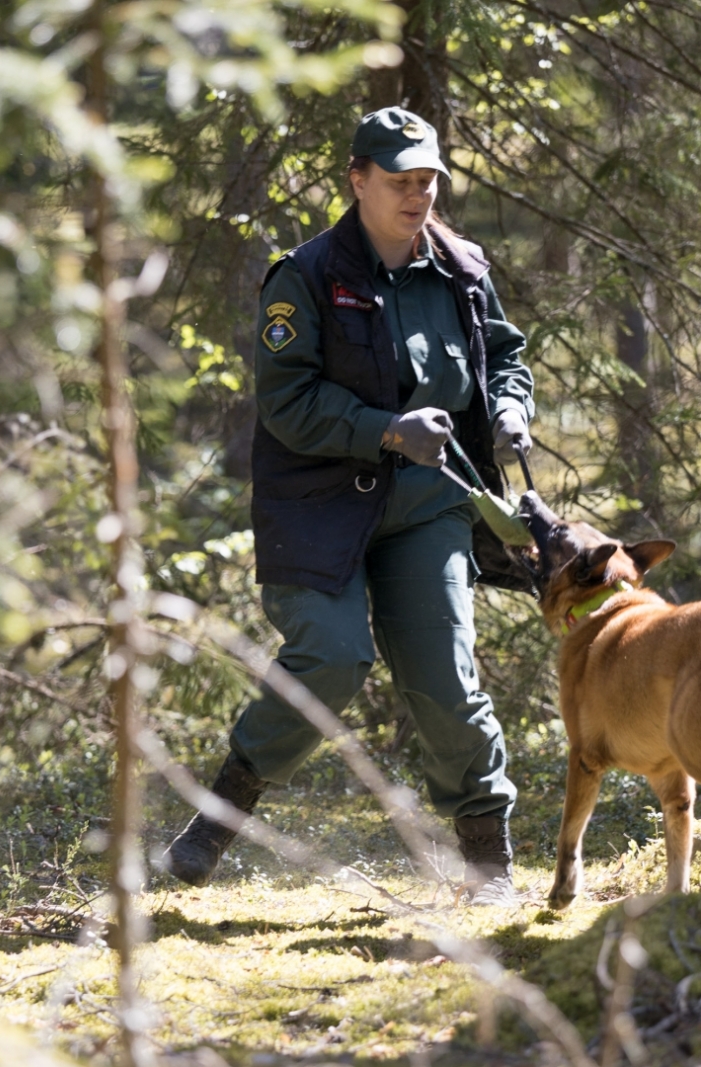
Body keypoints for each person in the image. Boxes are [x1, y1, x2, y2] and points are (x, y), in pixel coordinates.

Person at [162, 107, 535, 902]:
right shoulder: (304, 276)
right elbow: (286, 401)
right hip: (321, 504)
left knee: (446, 675)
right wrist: (387, 430)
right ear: (357, 180)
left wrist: (510, 406)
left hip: (431, 504)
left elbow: (503, 354)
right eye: (400, 180)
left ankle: (488, 864)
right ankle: (217, 817)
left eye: (428, 180)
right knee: (332, 656)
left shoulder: (463, 270)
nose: (418, 195)